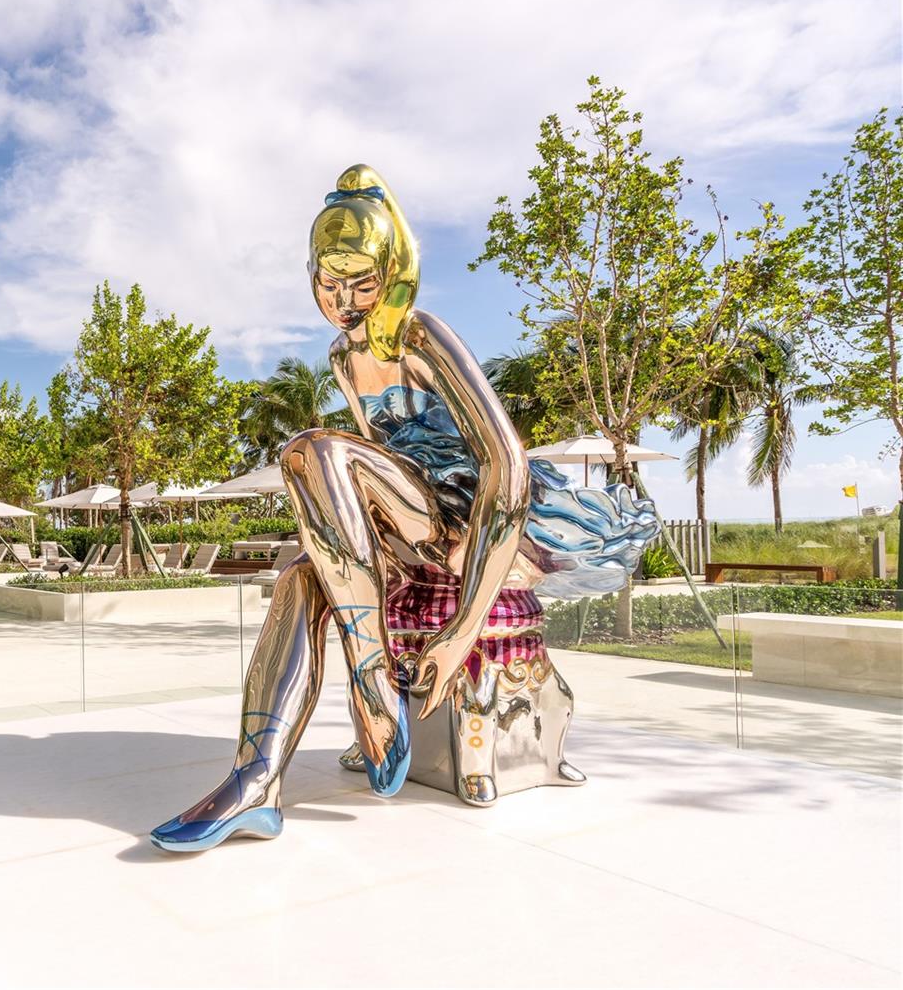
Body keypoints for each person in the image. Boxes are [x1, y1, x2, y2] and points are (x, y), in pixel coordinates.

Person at [150, 164, 660, 853]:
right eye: (329, 285)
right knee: (301, 577)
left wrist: (459, 635)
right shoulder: (342, 356)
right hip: (412, 515)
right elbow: (373, 467)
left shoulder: (420, 335)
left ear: (389, 274)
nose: (344, 301)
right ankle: (257, 780)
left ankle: (372, 678)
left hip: (474, 514)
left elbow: (506, 465)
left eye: (361, 284)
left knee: (309, 451)